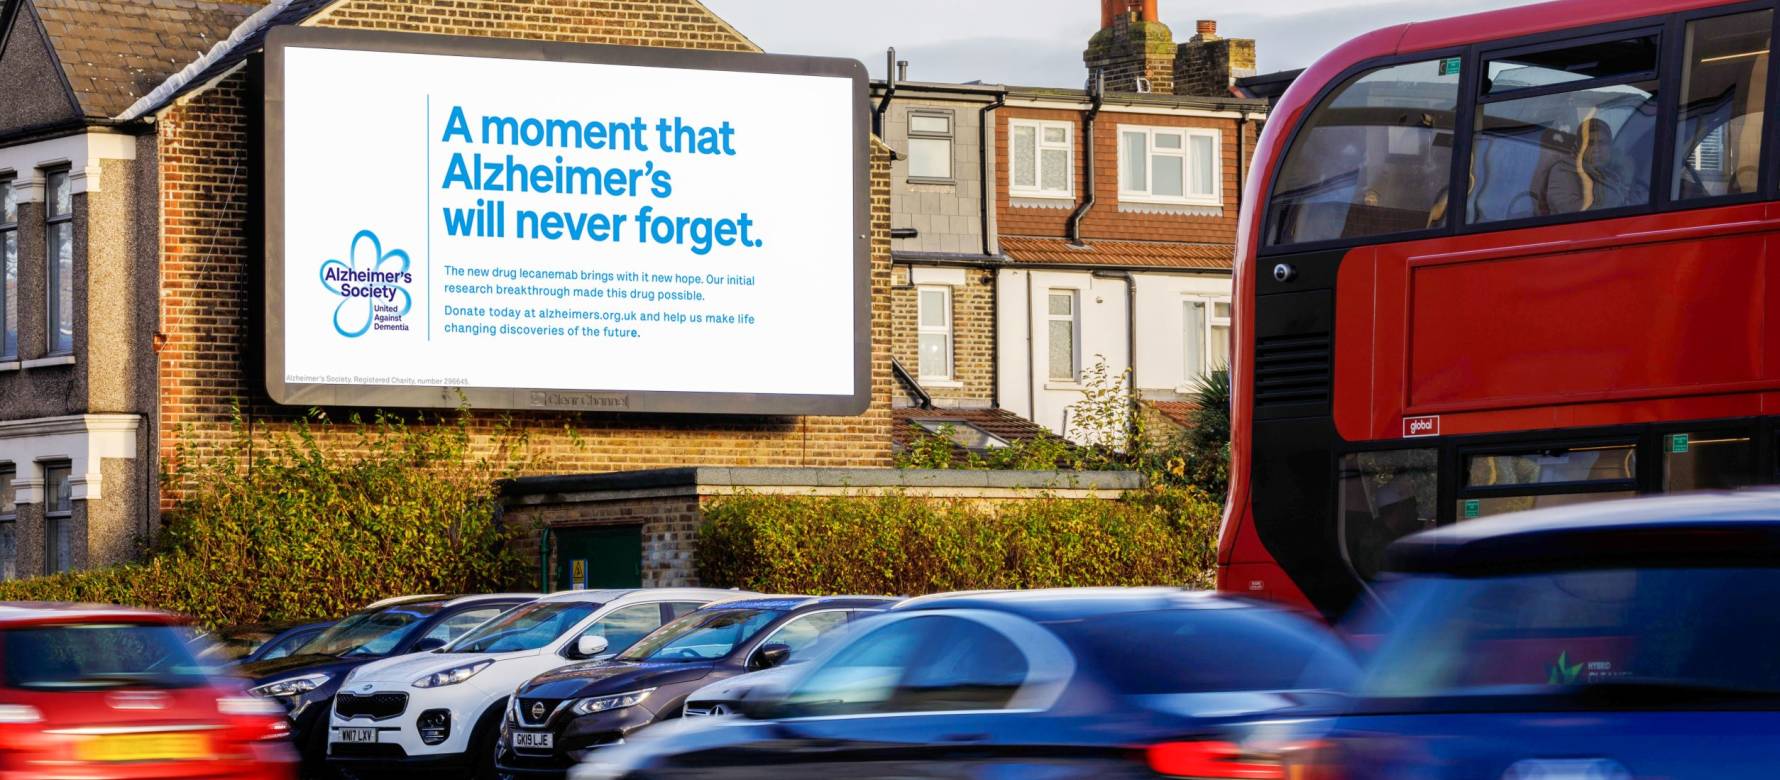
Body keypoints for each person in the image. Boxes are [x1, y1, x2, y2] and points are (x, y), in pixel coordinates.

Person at [1544, 117, 1635, 214]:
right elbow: (1571, 211)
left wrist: (1627, 173)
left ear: (1610, 146)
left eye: (1602, 143)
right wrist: (1617, 203)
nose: (1596, 149)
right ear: (1579, 147)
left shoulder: (1616, 170)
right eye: (1590, 143)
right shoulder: (1564, 170)